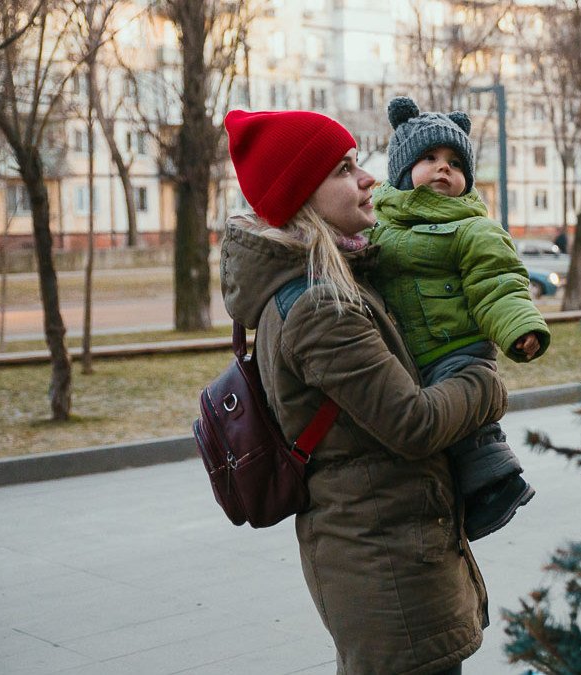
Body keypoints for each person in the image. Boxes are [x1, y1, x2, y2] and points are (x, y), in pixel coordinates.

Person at [221, 108, 505, 675]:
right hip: (386, 561)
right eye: (344, 169)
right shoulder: (321, 306)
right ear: (304, 194)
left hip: (388, 543)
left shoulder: (327, 283)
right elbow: (413, 423)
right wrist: (485, 381)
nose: (369, 178)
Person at [369, 96, 549, 541]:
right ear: (400, 171)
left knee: (471, 430)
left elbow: (499, 283)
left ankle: (498, 487)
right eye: (428, 158)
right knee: (432, 433)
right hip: (410, 354)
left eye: (454, 162)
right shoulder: (379, 226)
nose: (442, 169)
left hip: (458, 347)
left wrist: (519, 328)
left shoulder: (474, 228)